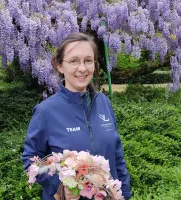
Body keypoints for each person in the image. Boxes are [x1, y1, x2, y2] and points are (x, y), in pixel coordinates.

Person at [21, 32, 131, 200]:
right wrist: (60, 186)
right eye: (74, 61)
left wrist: (125, 194)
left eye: (88, 60)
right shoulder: (46, 112)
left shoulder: (103, 103)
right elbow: (31, 163)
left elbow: (117, 156)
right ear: (59, 65)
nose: (82, 68)